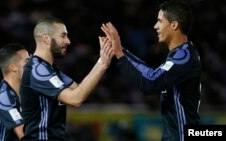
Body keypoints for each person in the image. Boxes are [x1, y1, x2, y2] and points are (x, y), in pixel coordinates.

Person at [101, 0, 201, 141]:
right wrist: (121, 50)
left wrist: (120, 54)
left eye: (160, 21)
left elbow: (150, 82)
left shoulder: (184, 56)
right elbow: (152, 74)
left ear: (174, 25)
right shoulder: (180, 54)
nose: (155, 26)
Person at [20, 17, 113, 140]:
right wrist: (102, 64)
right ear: (46, 39)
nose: (68, 41)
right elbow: (75, 99)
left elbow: (79, 90)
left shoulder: (50, 69)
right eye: (63, 36)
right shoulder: (38, 70)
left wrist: (102, 61)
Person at [0, 43, 29, 141]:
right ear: (12, 67)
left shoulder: (24, 96)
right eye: (27, 62)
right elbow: (24, 134)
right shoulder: (2, 96)